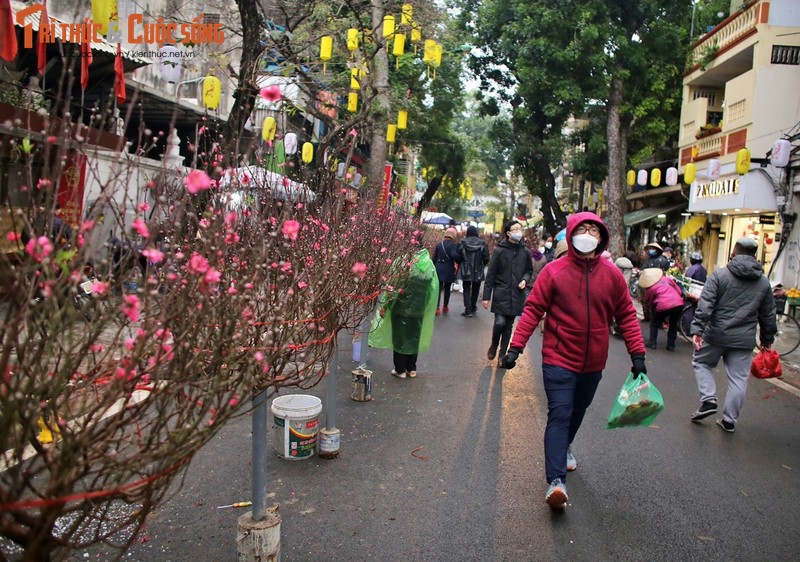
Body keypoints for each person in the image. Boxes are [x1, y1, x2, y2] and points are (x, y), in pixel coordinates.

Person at [498, 212, 647, 509]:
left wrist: (638, 354)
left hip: (593, 363)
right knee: (560, 413)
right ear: (571, 233)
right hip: (558, 359)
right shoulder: (554, 272)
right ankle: (556, 483)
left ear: (601, 237)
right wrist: (515, 348)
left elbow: (627, 316)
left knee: (578, 410)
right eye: (583, 229)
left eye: (594, 229)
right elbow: (532, 311)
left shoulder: (613, 276)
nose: (588, 234)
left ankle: (565, 446)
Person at [689, 237, 777, 433]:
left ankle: (709, 399)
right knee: (739, 379)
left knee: (701, 362)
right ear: (755, 256)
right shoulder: (763, 282)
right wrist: (767, 340)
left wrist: (697, 329)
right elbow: (768, 315)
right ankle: (729, 420)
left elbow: (706, 305)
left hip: (715, 335)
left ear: (733, 253)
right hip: (744, 340)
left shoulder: (719, 275)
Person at [369, 248, 439, 379]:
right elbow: (432, 288)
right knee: (414, 337)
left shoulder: (403, 263)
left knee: (400, 338)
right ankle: (411, 369)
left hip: (401, 309)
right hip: (419, 309)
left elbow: (392, 287)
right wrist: (425, 305)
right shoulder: (429, 265)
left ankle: (400, 369)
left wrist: (385, 304)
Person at [482, 220, 533, 365]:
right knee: (499, 322)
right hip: (501, 292)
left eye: (520, 228)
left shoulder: (525, 251)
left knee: (508, 326)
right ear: (509, 233)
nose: (519, 231)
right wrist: (486, 296)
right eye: (515, 229)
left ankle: (502, 355)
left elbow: (529, 271)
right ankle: (493, 344)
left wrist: (525, 279)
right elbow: (490, 274)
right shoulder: (499, 250)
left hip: (517, 294)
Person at [638, 268, 684, 351]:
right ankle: (671, 345)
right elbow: (679, 291)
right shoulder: (666, 279)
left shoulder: (650, 289)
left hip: (663, 305)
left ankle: (652, 343)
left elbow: (651, 303)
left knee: (654, 323)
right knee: (673, 324)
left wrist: (653, 313)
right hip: (678, 303)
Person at [458, 225, 490, 317]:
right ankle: (473, 306)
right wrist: (482, 265)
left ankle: (468, 310)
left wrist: (462, 263)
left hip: (466, 269)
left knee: (466, 289)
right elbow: (486, 257)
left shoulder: (463, 243)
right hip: (478, 269)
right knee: (476, 288)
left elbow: (458, 255)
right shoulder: (483, 243)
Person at [432, 228, 462, 316]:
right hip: (448, 268)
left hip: (439, 267)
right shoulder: (453, 245)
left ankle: (436, 308)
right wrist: (460, 259)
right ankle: (445, 306)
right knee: (447, 288)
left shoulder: (439, 244)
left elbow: (434, 258)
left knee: (439, 288)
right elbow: (454, 256)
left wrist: (433, 267)